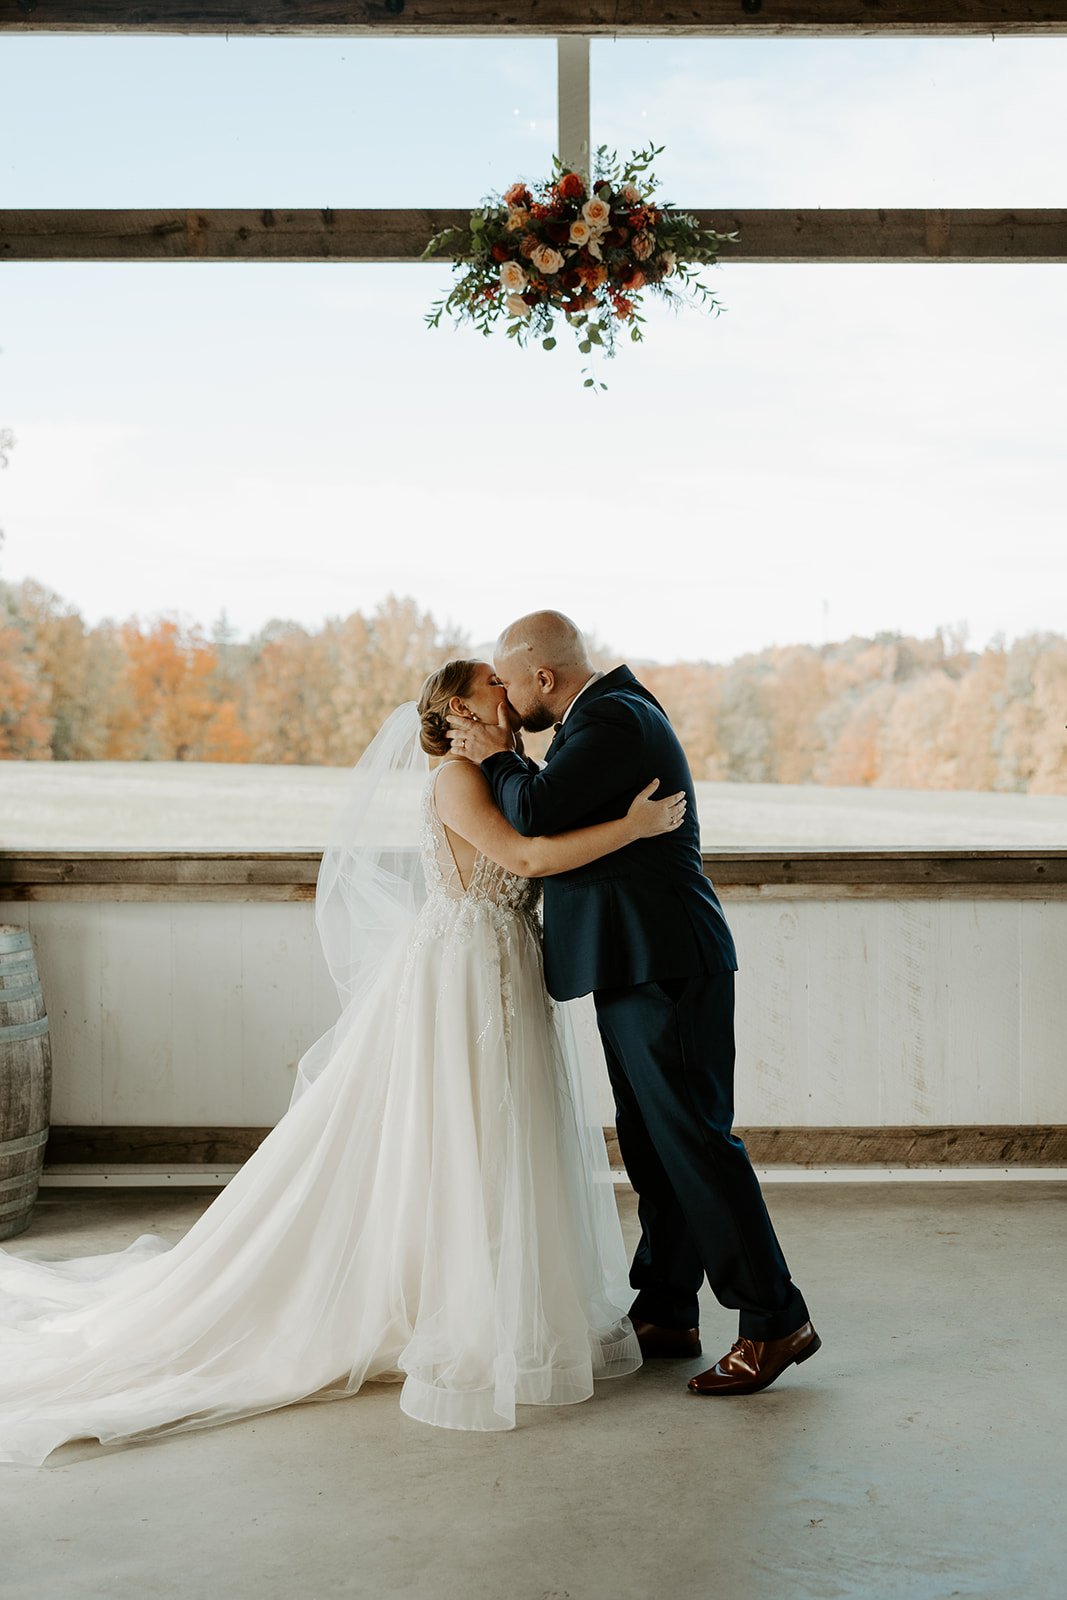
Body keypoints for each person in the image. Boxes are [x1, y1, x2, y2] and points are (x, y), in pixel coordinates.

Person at [0, 659, 687, 1465]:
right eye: (494, 683)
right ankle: (445, 1305)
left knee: (503, 1137)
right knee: (459, 1131)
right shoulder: (456, 780)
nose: (510, 691)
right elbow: (528, 860)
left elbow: (536, 836)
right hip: (462, 973)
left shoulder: (510, 772)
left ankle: (502, 1297)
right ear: (461, 708)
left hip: (504, 965)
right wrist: (633, 830)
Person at [448, 612, 820, 1397]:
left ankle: (774, 1321)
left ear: (542, 677)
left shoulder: (613, 718)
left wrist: (493, 756)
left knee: (693, 1141)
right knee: (652, 1144)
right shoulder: (604, 716)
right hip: (637, 962)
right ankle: (665, 1311)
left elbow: (537, 812)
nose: (510, 709)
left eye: (510, 687)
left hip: (666, 964)